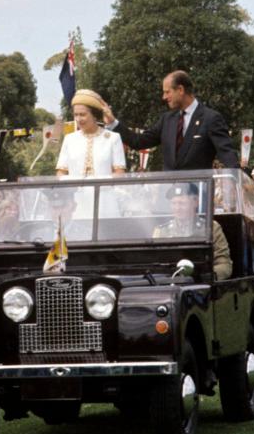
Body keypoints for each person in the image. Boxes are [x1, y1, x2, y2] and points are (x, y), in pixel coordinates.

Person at [104, 70, 239, 170]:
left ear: (180, 89)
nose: (164, 97)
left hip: (197, 196)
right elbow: (139, 142)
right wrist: (112, 122)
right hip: (169, 196)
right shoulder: (167, 120)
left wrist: (238, 180)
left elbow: (227, 153)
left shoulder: (211, 118)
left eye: (167, 92)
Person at [152, 184, 231, 279]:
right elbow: (154, 264)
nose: (177, 208)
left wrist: (204, 278)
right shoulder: (161, 231)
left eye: (182, 203)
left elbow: (224, 264)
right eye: (174, 203)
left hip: (201, 286)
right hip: (169, 284)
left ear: (195, 202)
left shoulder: (211, 228)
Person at [55, 89, 126, 178]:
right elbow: (60, 173)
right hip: (76, 191)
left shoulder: (113, 138)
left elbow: (120, 174)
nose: (78, 119)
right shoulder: (69, 139)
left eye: (82, 114)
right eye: (76, 115)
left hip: (105, 191)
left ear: (95, 115)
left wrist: (97, 182)